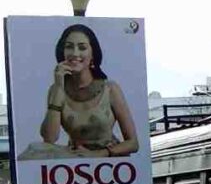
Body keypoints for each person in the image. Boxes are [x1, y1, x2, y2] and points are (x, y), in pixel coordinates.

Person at [16, 24, 139, 160]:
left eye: (82, 48)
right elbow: (49, 138)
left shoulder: (110, 89)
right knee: (33, 150)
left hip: (108, 161)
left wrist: (99, 154)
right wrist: (58, 87)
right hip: (76, 159)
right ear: (62, 51)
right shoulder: (57, 89)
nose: (75, 53)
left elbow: (133, 143)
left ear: (93, 54)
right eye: (69, 47)